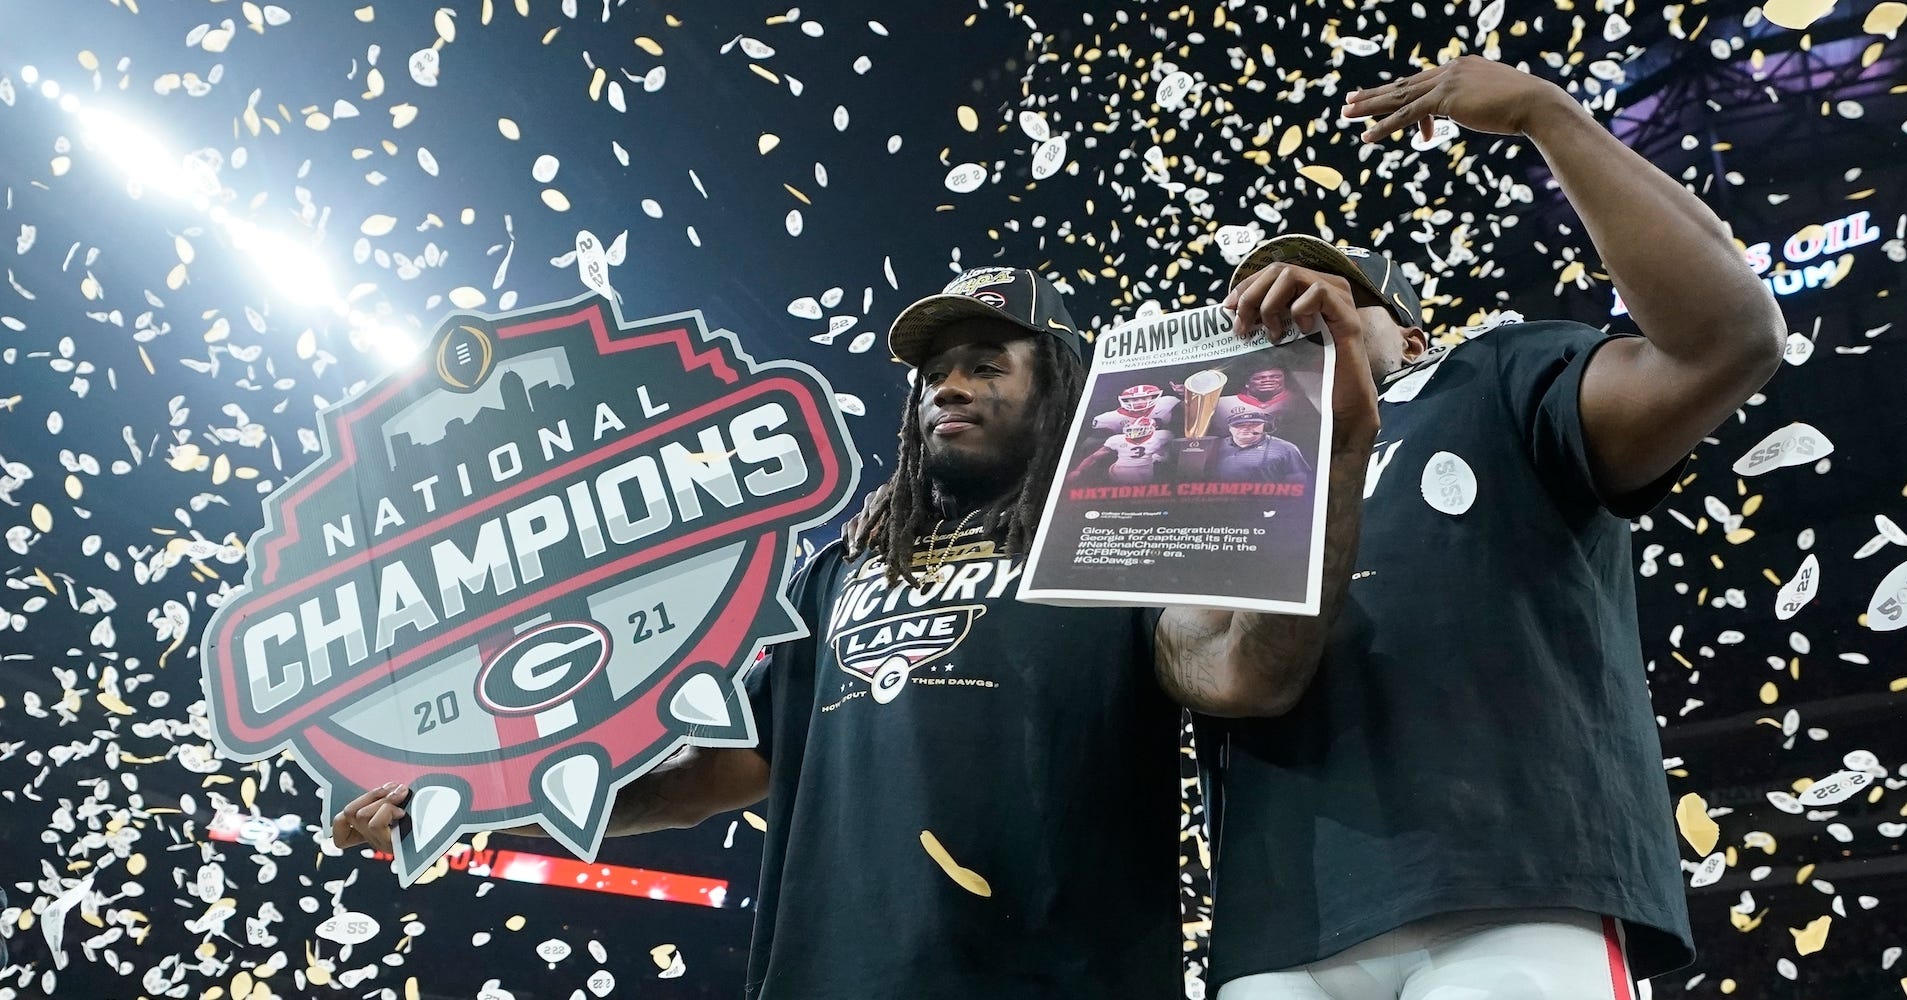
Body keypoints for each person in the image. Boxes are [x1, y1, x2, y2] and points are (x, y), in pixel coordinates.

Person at [333, 263, 1386, 999]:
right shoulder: (839, 568)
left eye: (986, 361)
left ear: (1059, 383)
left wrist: (1334, 460)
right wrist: (485, 804)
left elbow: (1247, 674)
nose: (948, 384)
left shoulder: (1121, 536)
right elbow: (710, 773)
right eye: (935, 369)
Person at [1201, 56, 1787, 1000]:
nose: (1288, 315)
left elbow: (1729, 340)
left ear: (1413, 334)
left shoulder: (1495, 375)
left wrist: (1545, 113)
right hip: (1279, 916)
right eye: (1261, 311)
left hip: (1519, 884)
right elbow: (1197, 671)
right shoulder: (1217, 466)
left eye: (1325, 295)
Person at [1069, 414, 1176, 485]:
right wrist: (1078, 470)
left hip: (1148, 471)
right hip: (1120, 472)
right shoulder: (1118, 439)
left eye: (1141, 430)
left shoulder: (1162, 436)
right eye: (1135, 430)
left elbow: (1173, 452)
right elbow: (1094, 457)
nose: (1137, 433)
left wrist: (1160, 457)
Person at [1213, 409, 1311, 485]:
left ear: (1265, 426)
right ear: (1230, 428)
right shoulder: (1214, 446)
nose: (1246, 428)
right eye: (1239, 425)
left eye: (1254, 424)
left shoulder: (1286, 449)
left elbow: (1298, 481)